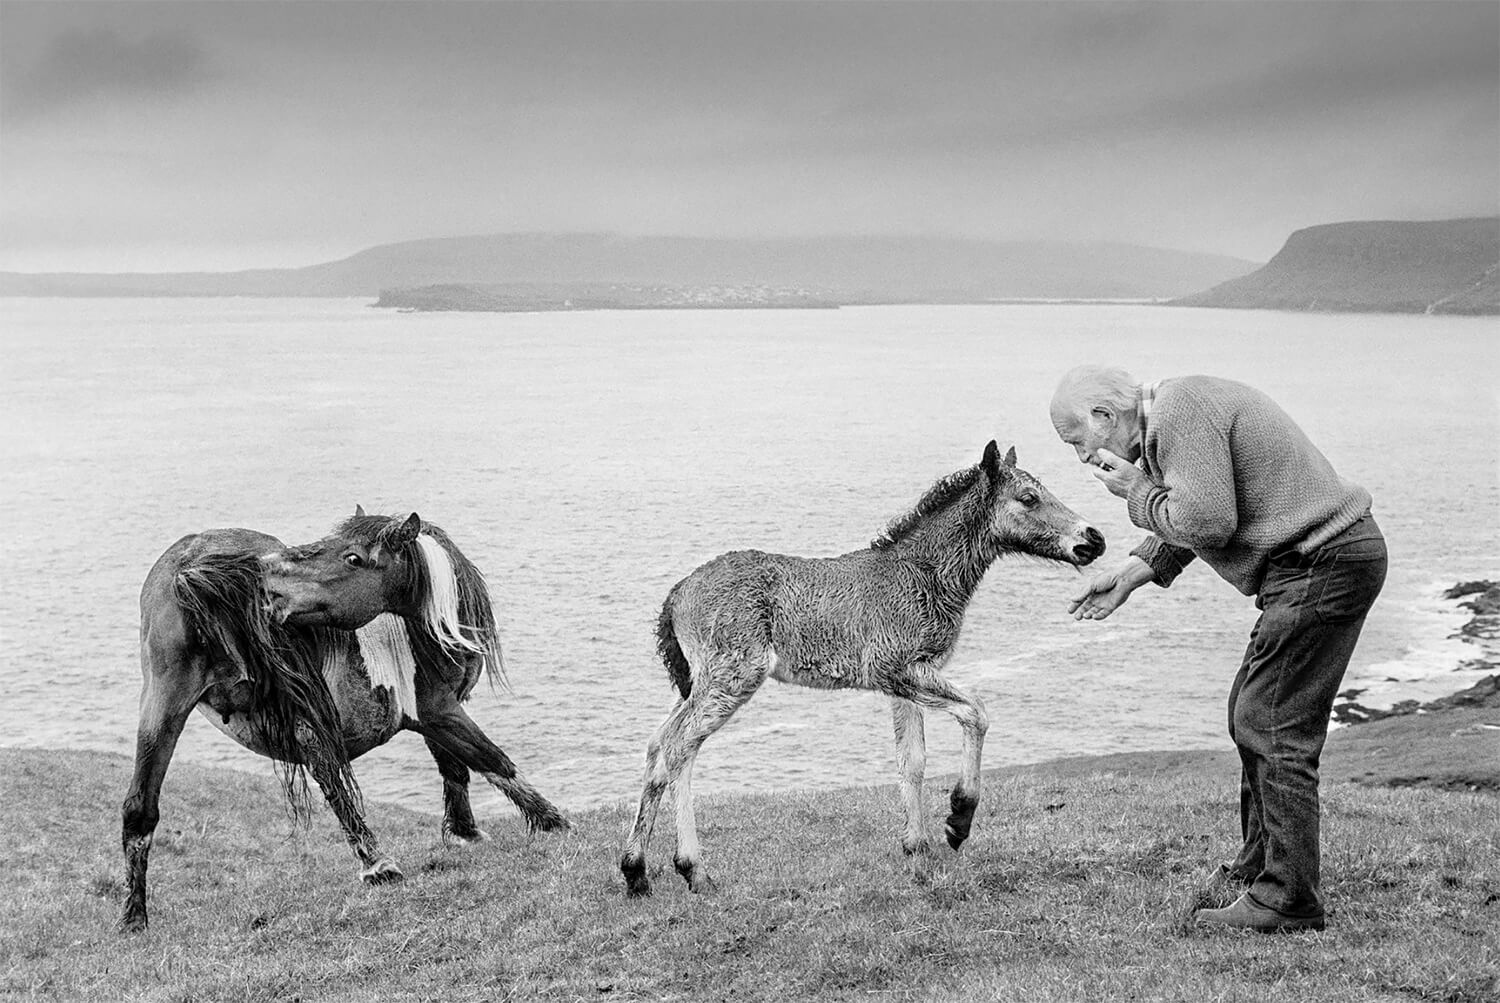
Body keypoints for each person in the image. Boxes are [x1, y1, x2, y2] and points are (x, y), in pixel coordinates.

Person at [1049, 365, 1387, 933]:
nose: (1081, 458)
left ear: (1106, 417)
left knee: (1271, 722)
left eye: (1077, 442)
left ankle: (1287, 900)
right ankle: (1262, 867)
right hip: (1320, 561)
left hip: (1321, 562)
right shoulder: (1169, 418)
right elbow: (1193, 511)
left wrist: (1137, 492)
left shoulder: (1182, 412)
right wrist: (1133, 574)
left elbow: (1207, 521)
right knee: (1250, 713)